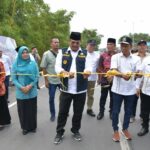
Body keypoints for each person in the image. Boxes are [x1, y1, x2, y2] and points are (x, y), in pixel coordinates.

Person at [54, 32, 91, 144]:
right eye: (73, 42)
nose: (75, 44)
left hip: (81, 89)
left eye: (77, 42)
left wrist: (87, 71)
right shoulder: (62, 51)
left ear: (80, 42)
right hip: (66, 89)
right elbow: (57, 66)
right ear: (69, 41)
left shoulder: (85, 53)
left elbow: (89, 66)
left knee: (78, 112)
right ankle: (59, 132)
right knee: (62, 112)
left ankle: (75, 130)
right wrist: (63, 72)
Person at [110, 36, 140, 142]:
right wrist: (122, 75)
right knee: (115, 111)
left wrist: (138, 75)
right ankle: (115, 131)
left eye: (126, 45)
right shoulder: (115, 57)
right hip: (117, 90)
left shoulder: (136, 59)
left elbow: (138, 73)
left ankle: (125, 129)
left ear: (131, 46)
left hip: (130, 91)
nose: (123, 47)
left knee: (128, 111)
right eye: (122, 45)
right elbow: (113, 71)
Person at [11, 46, 39, 135]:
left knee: (32, 110)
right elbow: (14, 79)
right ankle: (25, 128)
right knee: (22, 111)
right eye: (23, 52)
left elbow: (37, 76)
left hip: (32, 91)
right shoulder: (15, 64)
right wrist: (21, 87)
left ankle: (32, 127)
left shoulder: (33, 64)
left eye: (26, 52)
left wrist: (30, 86)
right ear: (19, 54)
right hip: (21, 92)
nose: (25, 54)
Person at [40, 38, 61, 122]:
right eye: (55, 42)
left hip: (61, 80)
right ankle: (53, 114)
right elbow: (43, 68)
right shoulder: (46, 54)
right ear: (51, 44)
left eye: (58, 42)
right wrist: (46, 80)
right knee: (51, 98)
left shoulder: (61, 53)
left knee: (64, 98)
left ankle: (63, 112)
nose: (57, 44)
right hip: (51, 80)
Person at [97, 38, 116, 120]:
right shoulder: (103, 55)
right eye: (108, 44)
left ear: (114, 46)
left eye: (111, 44)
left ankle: (111, 112)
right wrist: (101, 77)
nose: (109, 46)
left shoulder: (117, 56)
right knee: (103, 97)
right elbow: (99, 67)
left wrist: (113, 75)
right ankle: (101, 112)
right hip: (104, 80)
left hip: (115, 80)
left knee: (113, 97)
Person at [130, 40, 149, 123]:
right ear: (137, 46)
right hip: (135, 82)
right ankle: (132, 115)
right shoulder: (133, 56)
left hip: (146, 83)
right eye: (140, 45)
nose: (142, 46)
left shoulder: (149, 57)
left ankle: (143, 116)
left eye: (144, 45)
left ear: (146, 47)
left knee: (144, 102)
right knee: (133, 100)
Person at [86, 39, 99, 117]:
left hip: (92, 79)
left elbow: (99, 66)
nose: (92, 47)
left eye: (93, 45)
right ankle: (78, 109)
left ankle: (89, 109)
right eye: (90, 45)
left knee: (90, 95)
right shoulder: (82, 53)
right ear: (87, 45)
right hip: (82, 78)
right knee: (79, 95)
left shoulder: (97, 55)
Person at [0, 61, 11, 130]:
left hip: (0, 88)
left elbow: (3, 74)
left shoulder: (0, 63)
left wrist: (0, 82)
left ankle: (2, 122)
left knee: (2, 105)